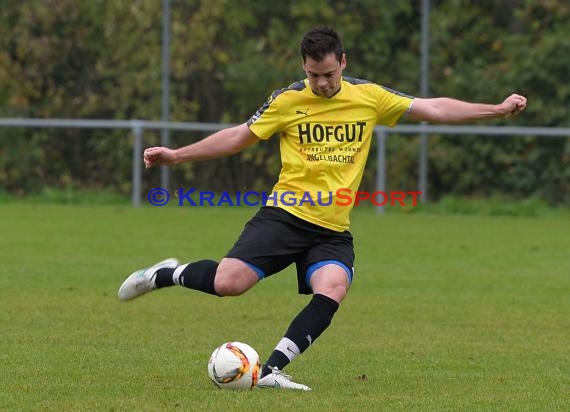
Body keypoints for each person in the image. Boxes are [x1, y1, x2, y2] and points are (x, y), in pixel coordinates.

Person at [118, 27, 527, 391]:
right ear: (304, 67)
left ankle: (271, 370)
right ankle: (165, 273)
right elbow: (238, 137)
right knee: (229, 283)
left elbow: (434, 108)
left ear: (343, 63)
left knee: (332, 287)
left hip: (332, 228)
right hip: (284, 215)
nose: (321, 83)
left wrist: (496, 109)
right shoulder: (287, 99)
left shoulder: (369, 97)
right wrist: (177, 156)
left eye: (329, 74)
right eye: (313, 75)